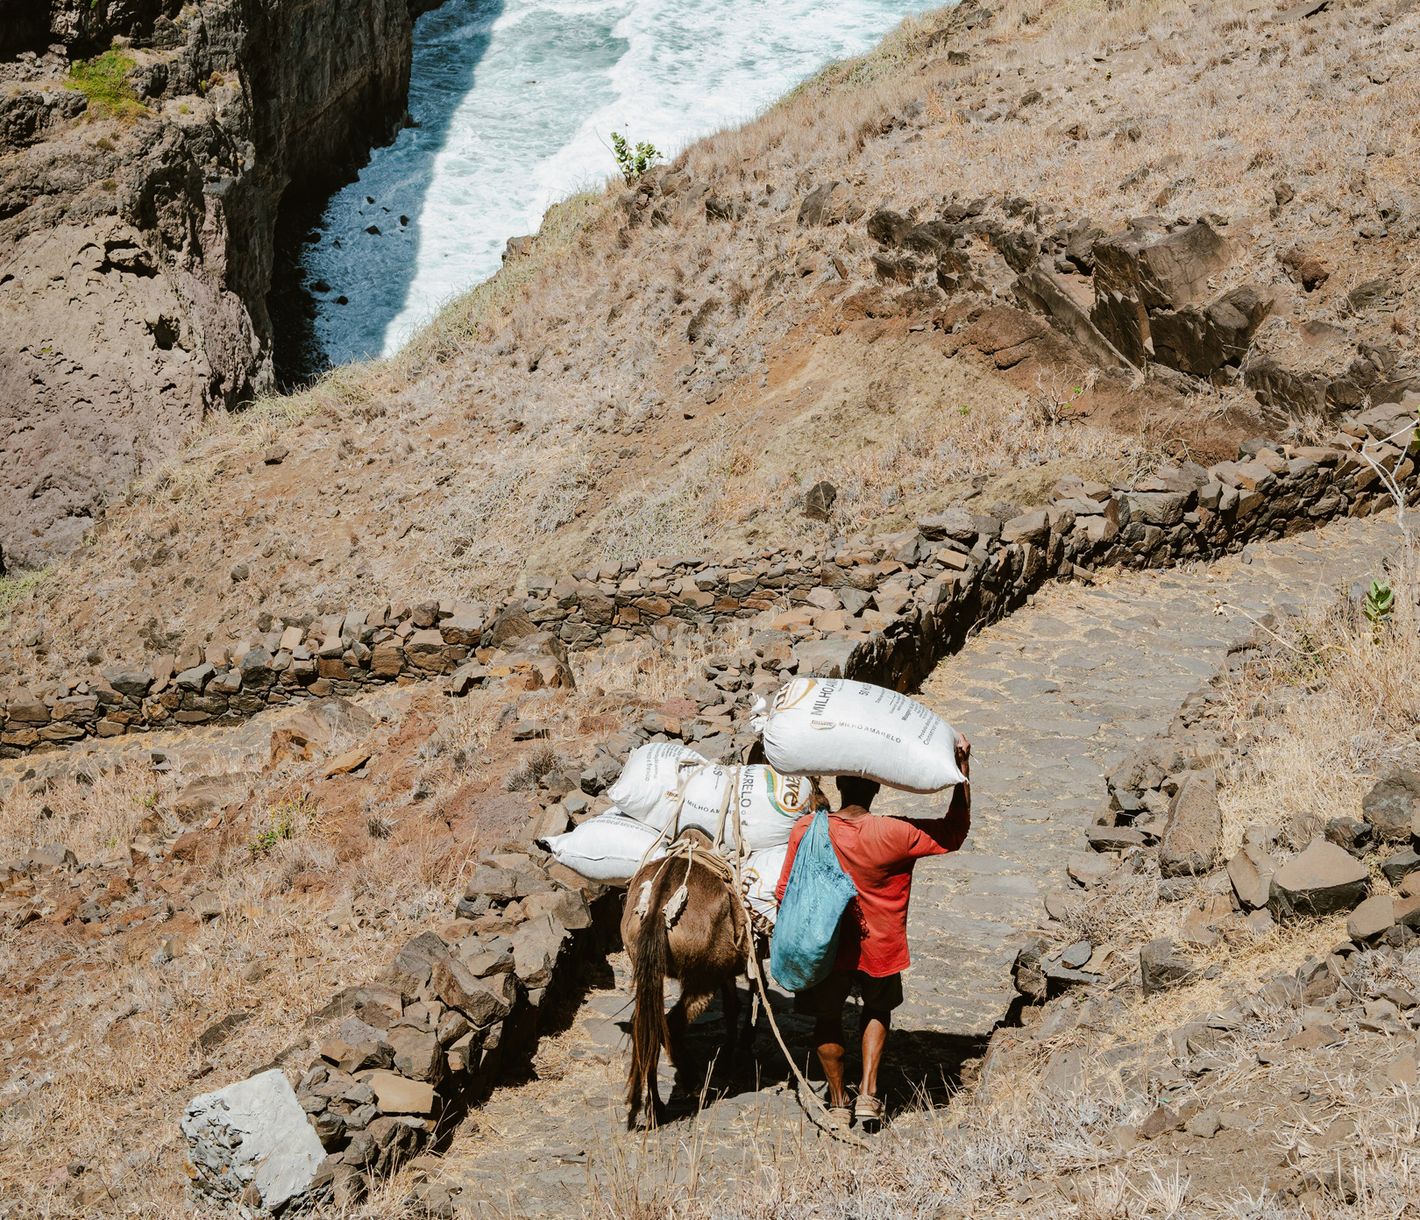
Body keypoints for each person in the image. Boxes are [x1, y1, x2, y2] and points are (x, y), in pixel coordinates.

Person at [773, 734, 971, 1133]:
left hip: (824, 946)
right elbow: (954, 832)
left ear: (839, 787)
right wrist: (962, 769)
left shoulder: (807, 830)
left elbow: (784, 891)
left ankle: (837, 1101)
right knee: (877, 1010)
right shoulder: (895, 833)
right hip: (880, 945)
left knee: (827, 1019)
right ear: (878, 787)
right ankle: (869, 1093)